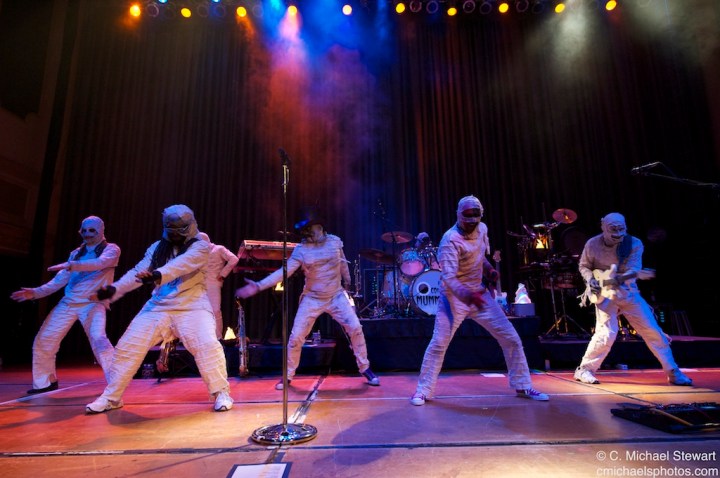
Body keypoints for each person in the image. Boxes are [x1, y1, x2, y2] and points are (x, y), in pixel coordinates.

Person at [85, 205, 233, 414]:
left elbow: (182, 264)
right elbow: (138, 271)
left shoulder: (201, 246)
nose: (175, 234)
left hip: (192, 306)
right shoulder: (157, 247)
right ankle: (111, 397)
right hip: (158, 306)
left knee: (207, 345)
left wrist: (156, 275)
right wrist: (113, 289)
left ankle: (221, 392)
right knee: (127, 346)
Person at [411, 196, 549, 406]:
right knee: (439, 343)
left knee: (511, 338)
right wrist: (468, 296)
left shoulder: (482, 229)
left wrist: (490, 270)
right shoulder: (450, 240)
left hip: (479, 295)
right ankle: (423, 391)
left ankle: (522, 385)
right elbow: (449, 278)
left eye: (475, 215)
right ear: (459, 215)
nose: (471, 221)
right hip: (453, 299)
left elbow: (480, 257)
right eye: (467, 216)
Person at [236, 208, 379, 390]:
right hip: (312, 298)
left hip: (336, 296)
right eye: (307, 231)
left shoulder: (335, 242)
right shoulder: (301, 250)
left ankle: (365, 367)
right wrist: (258, 286)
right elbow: (284, 272)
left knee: (356, 328)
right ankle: (288, 375)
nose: (309, 234)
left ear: (320, 227)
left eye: (312, 229)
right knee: (296, 337)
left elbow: (342, 262)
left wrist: (348, 280)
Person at [573, 213, 692, 386]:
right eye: (613, 229)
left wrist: (621, 278)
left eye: (620, 229)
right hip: (604, 295)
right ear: (603, 227)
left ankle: (673, 371)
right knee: (606, 333)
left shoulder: (634, 243)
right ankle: (585, 369)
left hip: (627, 292)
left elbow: (632, 270)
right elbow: (584, 265)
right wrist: (591, 279)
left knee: (652, 330)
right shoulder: (592, 244)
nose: (617, 233)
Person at [10, 216, 120, 394]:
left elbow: (99, 263)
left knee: (99, 339)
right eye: (84, 230)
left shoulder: (111, 249)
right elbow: (59, 280)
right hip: (69, 303)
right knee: (44, 339)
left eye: (92, 230)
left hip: (93, 303)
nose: (87, 234)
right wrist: (36, 292)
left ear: (101, 231)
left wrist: (71, 265)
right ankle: (45, 382)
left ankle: (116, 382)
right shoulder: (76, 253)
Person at [197, 232, 240, 339]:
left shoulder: (219, 249)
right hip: (198, 283)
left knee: (215, 309)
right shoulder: (199, 252)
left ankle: (217, 337)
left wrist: (222, 274)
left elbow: (234, 259)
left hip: (213, 283)